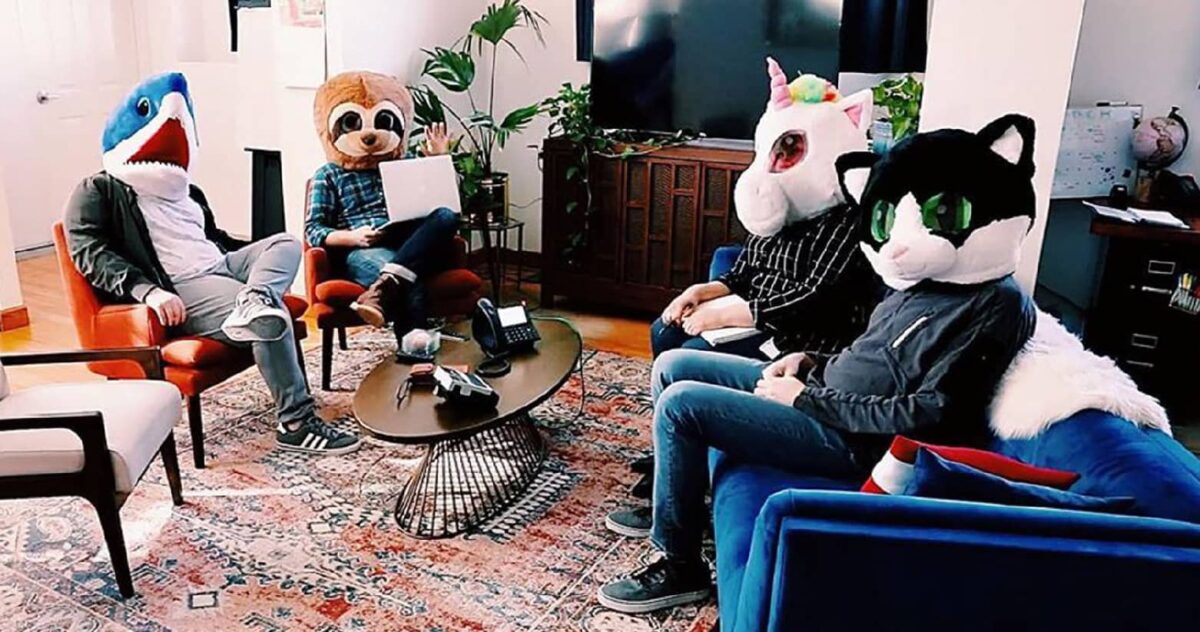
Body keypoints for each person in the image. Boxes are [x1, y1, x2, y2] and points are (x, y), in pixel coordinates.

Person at [598, 115, 1041, 614]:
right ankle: (677, 504)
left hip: (847, 437)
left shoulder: (994, 306)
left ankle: (679, 565)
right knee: (675, 364)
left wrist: (808, 398)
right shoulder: (924, 281)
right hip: (820, 392)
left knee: (682, 405)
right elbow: (873, 353)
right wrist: (809, 361)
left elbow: (932, 412)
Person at [65, 72, 360, 456]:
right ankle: (296, 423)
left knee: (286, 242)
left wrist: (256, 264)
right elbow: (89, 252)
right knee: (269, 316)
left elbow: (214, 240)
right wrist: (148, 291)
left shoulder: (190, 191)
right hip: (184, 284)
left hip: (222, 264)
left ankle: (254, 297)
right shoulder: (99, 190)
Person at [651, 59, 878, 360]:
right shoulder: (777, 207)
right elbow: (743, 272)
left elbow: (814, 299)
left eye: (789, 152)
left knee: (691, 354)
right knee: (662, 330)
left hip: (794, 336)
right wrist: (700, 292)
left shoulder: (847, 220)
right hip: (750, 317)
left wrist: (725, 317)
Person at [304, 71, 460, 333]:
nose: (369, 133)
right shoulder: (329, 174)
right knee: (410, 281)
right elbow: (314, 230)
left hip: (411, 238)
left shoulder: (407, 161)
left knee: (445, 215)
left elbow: (447, 202)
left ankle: (382, 287)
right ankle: (416, 355)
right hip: (366, 247)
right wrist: (353, 237)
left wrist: (440, 161)